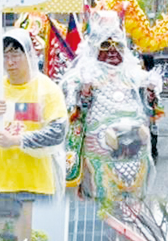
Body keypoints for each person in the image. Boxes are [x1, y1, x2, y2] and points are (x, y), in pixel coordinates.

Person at [0, 28, 68, 197]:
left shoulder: (47, 90)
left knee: (40, 225)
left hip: (38, 187)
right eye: (5, 56)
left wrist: (17, 140)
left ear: (29, 55)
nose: (10, 62)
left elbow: (58, 132)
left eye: (15, 55)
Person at [62, 10, 153, 202]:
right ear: (95, 48)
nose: (112, 50)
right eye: (105, 45)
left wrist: (152, 94)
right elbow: (76, 112)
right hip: (101, 143)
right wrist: (84, 94)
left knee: (133, 196)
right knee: (101, 195)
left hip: (136, 145)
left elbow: (149, 111)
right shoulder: (82, 75)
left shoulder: (134, 75)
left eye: (117, 45)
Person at [140, 54, 165, 162]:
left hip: (152, 103)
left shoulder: (152, 75)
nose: (139, 62)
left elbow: (157, 89)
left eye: (141, 60)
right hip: (144, 102)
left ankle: (153, 149)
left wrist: (149, 89)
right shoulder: (141, 73)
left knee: (152, 126)